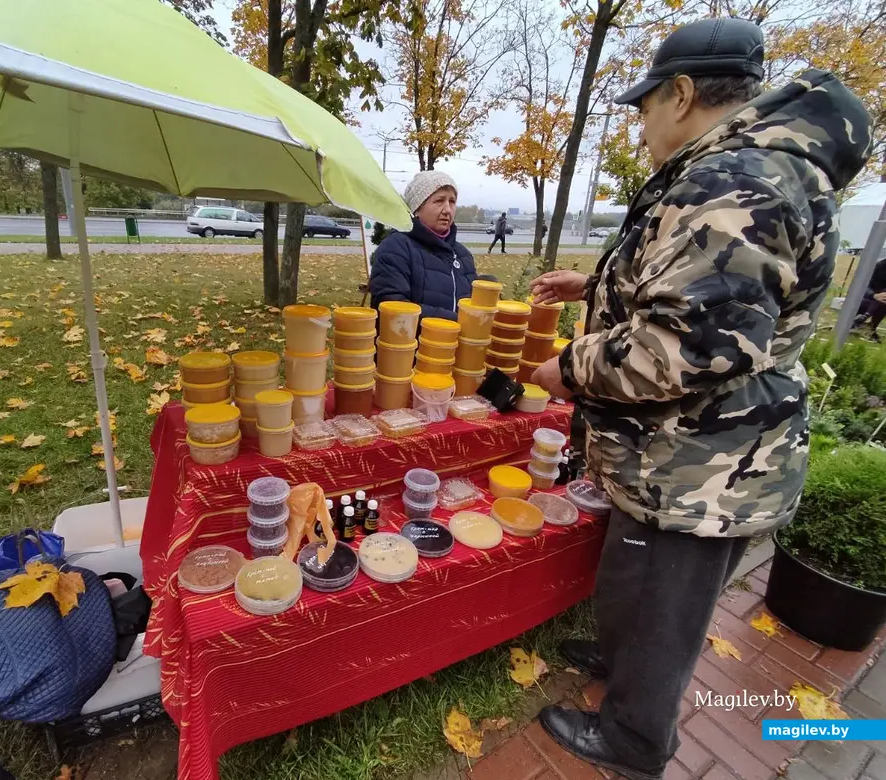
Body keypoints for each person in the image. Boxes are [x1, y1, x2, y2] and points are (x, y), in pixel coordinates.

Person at [528, 17, 871, 780]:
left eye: (644, 106)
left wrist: (571, 368)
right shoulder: (738, 170)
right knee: (636, 572)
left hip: (705, 462)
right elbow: (709, 287)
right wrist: (598, 287)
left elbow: (691, 347)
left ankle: (636, 737)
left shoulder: (737, 179)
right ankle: (618, 659)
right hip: (670, 454)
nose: (642, 123)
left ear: (681, 93)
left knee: (667, 600)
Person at [369, 171, 481, 321]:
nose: (447, 210)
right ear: (417, 208)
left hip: (458, 344)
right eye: (439, 201)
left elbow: (473, 306)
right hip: (413, 343)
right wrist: (456, 321)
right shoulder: (396, 248)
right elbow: (392, 307)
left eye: (452, 201)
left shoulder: (463, 255)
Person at [852, 257, 886, 341]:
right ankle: (868, 325)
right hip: (865, 299)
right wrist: (874, 295)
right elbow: (862, 286)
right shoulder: (877, 266)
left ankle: (867, 322)